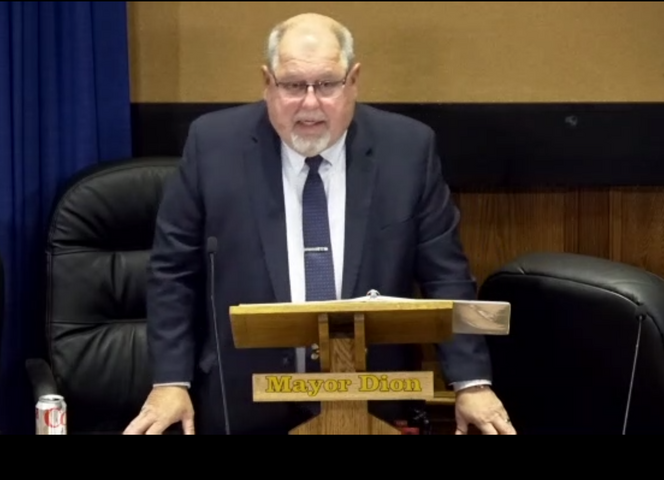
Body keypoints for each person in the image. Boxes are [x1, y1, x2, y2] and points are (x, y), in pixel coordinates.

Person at [124, 12, 514, 435]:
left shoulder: (408, 150)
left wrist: (471, 382)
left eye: (327, 85)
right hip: (242, 401)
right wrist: (170, 381)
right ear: (266, 82)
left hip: (372, 401)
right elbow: (173, 273)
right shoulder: (213, 144)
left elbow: (447, 277)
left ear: (354, 81)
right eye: (292, 85)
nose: (310, 103)